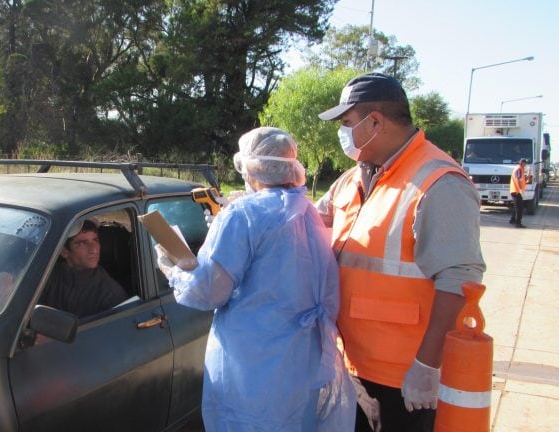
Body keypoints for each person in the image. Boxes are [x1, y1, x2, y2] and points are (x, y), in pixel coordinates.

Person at [315, 73, 486, 432]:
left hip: (404, 378)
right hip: (353, 366)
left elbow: (459, 280)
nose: (343, 134)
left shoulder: (438, 182)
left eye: (347, 123)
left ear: (375, 122)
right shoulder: (352, 179)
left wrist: (426, 366)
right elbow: (312, 221)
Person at [156, 127, 354, 431]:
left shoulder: (243, 215)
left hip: (253, 365)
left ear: (250, 167)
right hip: (300, 357)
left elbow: (209, 292)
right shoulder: (305, 210)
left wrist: (173, 270)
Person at [40, 219, 128, 317]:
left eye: (95, 240)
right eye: (82, 243)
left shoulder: (111, 295)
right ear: (64, 252)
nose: (94, 250)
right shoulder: (47, 276)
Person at [510, 158, 528, 228]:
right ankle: (518, 223)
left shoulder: (520, 169)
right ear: (522, 163)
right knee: (519, 208)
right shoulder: (519, 169)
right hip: (516, 191)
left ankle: (512, 220)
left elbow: (522, 180)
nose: (525, 165)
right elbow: (517, 179)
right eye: (525, 163)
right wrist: (520, 189)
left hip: (516, 191)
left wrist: (528, 175)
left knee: (516, 207)